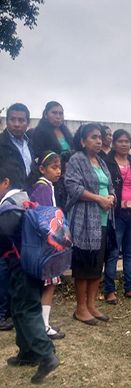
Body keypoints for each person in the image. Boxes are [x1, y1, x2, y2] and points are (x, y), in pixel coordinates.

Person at [0, 161, 60, 384]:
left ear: (5, 182)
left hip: (23, 265)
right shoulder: (22, 198)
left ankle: (46, 354)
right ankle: (27, 353)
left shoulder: (12, 202)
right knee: (18, 307)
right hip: (30, 263)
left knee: (27, 308)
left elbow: (6, 231)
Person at [64, 123, 114, 326]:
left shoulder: (101, 162)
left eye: (100, 137)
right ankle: (80, 308)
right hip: (84, 219)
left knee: (97, 263)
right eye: (93, 137)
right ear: (83, 141)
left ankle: (92, 305)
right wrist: (98, 199)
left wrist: (111, 197)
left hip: (103, 220)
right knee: (83, 263)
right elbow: (72, 186)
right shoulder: (77, 160)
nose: (99, 140)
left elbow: (110, 186)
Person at [103, 129, 131, 305]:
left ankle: (130, 287)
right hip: (117, 213)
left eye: (127, 141)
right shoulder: (107, 162)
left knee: (130, 252)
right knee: (113, 252)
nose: (124, 144)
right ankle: (109, 290)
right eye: (120, 141)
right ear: (114, 143)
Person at [0, 103, 35, 331]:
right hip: (4, 205)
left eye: (21, 120)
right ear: (7, 120)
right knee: (2, 258)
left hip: (23, 204)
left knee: (15, 257)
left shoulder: (29, 144)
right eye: (13, 119)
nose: (17, 123)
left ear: (27, 122)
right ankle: (2, 312)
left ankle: (13, 307)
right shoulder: (1, 144)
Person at [29, 151, 66, 340]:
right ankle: (43, 325)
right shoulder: (44, 188)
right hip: (47, 245)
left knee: (46, 284)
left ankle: (41, 323)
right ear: (42, 169)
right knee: (49, 284)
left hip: (43, 244)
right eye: (54, 167)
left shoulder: (45, 186)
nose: (58, 171)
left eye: (59, 167)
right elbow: (45, 217)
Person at [31, 101, 73, 207]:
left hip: (68, 178)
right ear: (45, 114)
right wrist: (63, 157)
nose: (58, 116)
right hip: (52, 180)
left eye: (60, 113)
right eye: (54, 113)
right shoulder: (39, 132)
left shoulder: (65, 131)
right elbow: (40, 156)